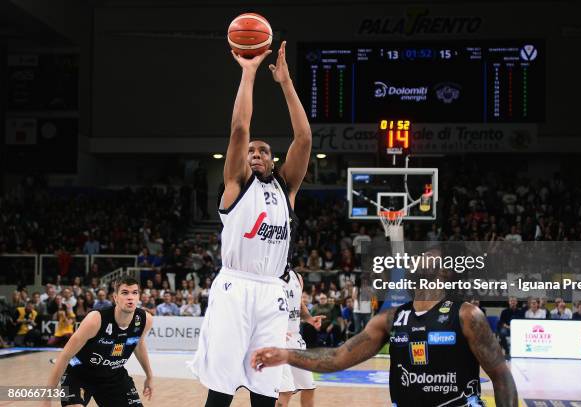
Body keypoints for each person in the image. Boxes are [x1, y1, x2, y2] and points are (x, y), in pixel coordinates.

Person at [189, 40, 312, 407]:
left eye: (263, 151)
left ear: (273, 161)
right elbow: (240, 129)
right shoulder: (236, 185)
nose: (255, 153)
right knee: (222, 385)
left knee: (265, 385)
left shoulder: (285, 187)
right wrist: (249, 72)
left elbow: (304, 138)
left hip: (272, 293)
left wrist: (286, 84)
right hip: (234, 287)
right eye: (251, 152)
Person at [252, 248, 518, 406]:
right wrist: (286, 355)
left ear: (445, 271)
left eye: (430, 255)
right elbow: (336, 357)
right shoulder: (390, 319)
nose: (421, 256)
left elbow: (501, 375)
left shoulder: (466, 315)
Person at [45, 276, 154, 407]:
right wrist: (46, 399)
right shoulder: (95, 320)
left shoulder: (145, 320)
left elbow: (138, 344)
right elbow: (65, 356)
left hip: (113, 375)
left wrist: (149, 376)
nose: (130, 297)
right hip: (80, 374)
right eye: (125, 293)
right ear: (115, 297)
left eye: (134, 293)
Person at [277, 270, 323, 407]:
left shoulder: (297, 277)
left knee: (308, 387)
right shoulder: (269, 274)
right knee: (285, 391)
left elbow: (298, 303)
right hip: (278, 340)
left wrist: (309, 318)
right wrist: (272, 329)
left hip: (295, 339)